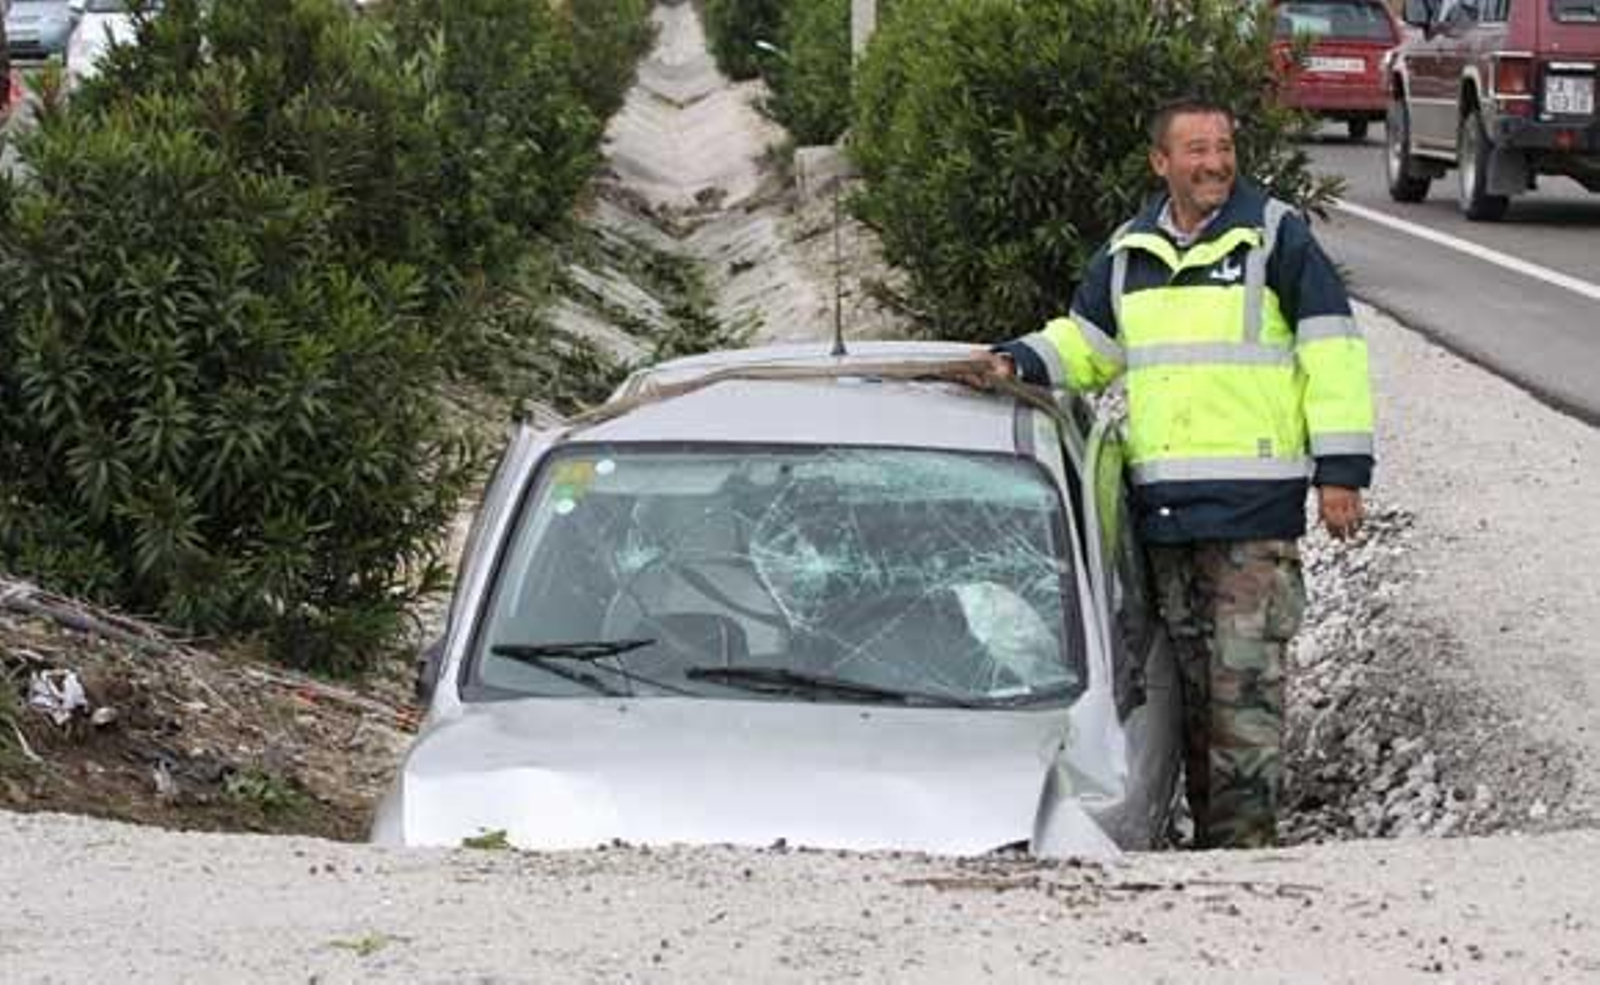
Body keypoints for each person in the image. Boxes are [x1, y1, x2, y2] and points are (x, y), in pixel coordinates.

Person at [976, 96, 1374, 849]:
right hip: (1167, 518)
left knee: (1245, 695)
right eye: (1196, 150)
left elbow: (1333, 348)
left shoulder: (1274, 238)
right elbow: (1086, 344)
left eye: (1223, 147)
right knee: (1192, 695)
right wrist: (1016, 359)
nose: (1215, 162)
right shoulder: (1130, 254)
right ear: (1162, 163)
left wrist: (1341, 472)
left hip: (1253, 519)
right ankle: (1208, 850)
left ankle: (1244, 856)